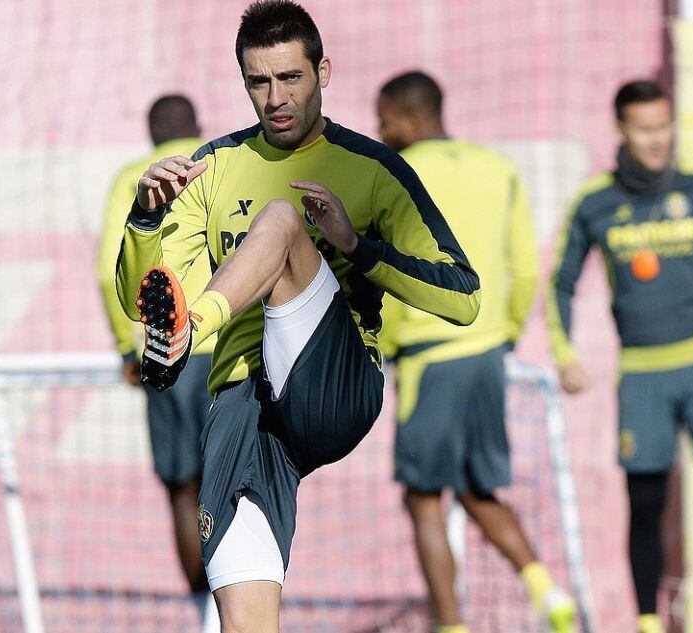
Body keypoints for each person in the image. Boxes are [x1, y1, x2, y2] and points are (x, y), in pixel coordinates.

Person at [114, 2, 481, 632]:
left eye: (291, 78)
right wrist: (146, 219)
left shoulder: (373, 168)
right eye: (259, 81)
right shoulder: (214, 166)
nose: (276, 97)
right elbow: (143, 295)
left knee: (281, 222)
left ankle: (186, 337)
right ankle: (186, 337)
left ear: (323, 72)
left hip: (333, 385)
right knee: (245, 617)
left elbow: (462, 297)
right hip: (243, 409)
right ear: (244, 83)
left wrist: (358, 248)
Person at [376, 71, 576, 633]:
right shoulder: (498, 168)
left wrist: (386, 344)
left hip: (428, 354)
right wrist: (505, 332)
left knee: (422, 499)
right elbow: (525, 265)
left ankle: (450, 624)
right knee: (475, 488)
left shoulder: (397, 174)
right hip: (487, 351)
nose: (380, 131)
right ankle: (545, 587)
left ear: (410, 119)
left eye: (385, 119)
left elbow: (386, 272)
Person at [547, 79, 693, 633]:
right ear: (622, 130)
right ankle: (649, 623)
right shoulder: (595, 202)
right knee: (646, 503)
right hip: (643, 376)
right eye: (645, 128)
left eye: (664, 126)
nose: (658, 140)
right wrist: (565, 354)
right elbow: (560, 282)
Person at [96, 95, 219, 631]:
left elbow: (110, 272)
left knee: (182, 486)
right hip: (229, 343)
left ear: (151, 134)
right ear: (199, 126)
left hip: (168, 353)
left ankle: (203, 615)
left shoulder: (134, 177)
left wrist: (129, 349)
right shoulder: (221, 163)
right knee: (237, 480)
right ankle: (244, 608)